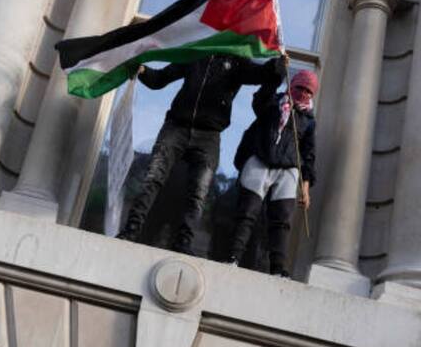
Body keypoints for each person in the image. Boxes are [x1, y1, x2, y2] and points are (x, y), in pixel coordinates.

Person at [117, 54, 285, 254]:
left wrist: (279, 65)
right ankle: (131, 230)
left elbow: (263, 74)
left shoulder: (238, 62)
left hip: (208, 136)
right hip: (176, 127)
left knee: (198, 192)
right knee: (152, 178)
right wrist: (142, 70)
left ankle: (183, 244)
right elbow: (160, 79)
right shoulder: (196, 53)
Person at [229, 69, 317, 276]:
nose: (303, 93)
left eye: (308, 91)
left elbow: (309, 156)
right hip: (260, 160)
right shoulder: (272, 104)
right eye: (299, 88)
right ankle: (232, 257)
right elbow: (259, 101)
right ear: (291, 85)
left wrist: (305, 189)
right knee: (247, 212)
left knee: (281, 221)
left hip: (288, 170)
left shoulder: (309, 121)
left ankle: (278, 269)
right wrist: (275, 71)